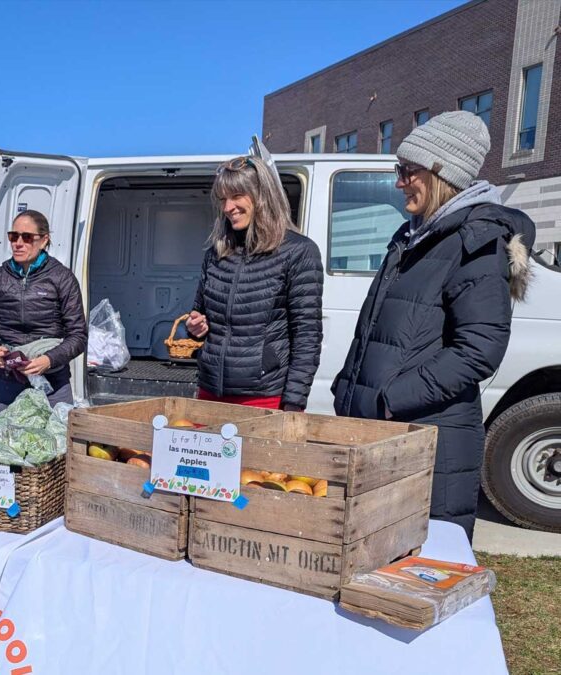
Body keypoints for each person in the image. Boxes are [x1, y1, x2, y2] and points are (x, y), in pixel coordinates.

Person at [332, 111, 536, 541]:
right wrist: (346, 389)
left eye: (408, 171)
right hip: (388, 436)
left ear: (442, 172)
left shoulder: (474, 241)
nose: (399, 181)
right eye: (398, 170)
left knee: (418, 566)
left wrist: (391, 400)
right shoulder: (413, 237)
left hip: (429, 442)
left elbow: (478, 349)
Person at [185, 156, 324, 412]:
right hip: (210, 392)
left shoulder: (299, 252)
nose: (228, 207)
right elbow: (199, 316)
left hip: (264, 396)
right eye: (223, 199)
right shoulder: (216, 254)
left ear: (263, 196)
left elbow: (307, 337)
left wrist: (294, 403)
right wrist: (196, 326)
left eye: (237, 195)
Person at [0, 209, 87, 413]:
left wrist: (49, 360)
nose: (18, 243)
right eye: (13, 236)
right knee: (5, 441)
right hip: (8, 380)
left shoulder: (62, 278)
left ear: (44, 240)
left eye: (27, 237)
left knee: (58, 441)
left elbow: (78, 336)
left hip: (53, 380)